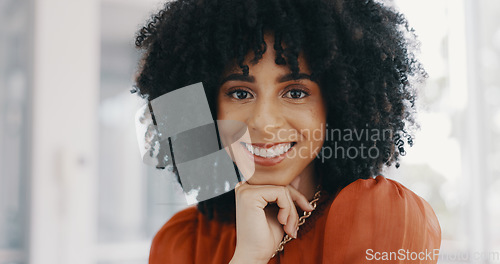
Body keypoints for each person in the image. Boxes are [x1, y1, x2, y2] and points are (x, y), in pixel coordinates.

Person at [133, 0, 441, 263]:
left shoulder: (383, 215)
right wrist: (248, 257)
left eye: (295, 92)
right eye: (240, 93)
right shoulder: (182, 242)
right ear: (210, 107)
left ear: (337, 102)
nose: (263, 123)